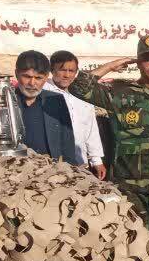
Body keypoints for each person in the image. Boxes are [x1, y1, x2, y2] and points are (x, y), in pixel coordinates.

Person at [70, 35, 149, 232]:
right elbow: (77, 86)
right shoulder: (119, 93)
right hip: (129, 190)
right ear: (137, 62)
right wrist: (112, 65)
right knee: (131, 245)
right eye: (146, 59)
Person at [13, 50, 81, 166]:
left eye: (38, 78)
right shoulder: (5, 103)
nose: (32, 83)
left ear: (46, 77)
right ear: (16, 74)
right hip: (16, 171)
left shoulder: (55, 100)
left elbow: (67, 142)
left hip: (52, 171)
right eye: (27, 76)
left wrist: (70, 169)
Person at [45, 50, 105, 178]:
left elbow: (90, 130)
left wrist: (97, 160)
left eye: (71, 71)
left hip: (79, 164)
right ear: (52, 70)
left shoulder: (82, 97)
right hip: (49, 164)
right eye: (62, 70)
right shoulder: (42, 91)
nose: (67, 75)